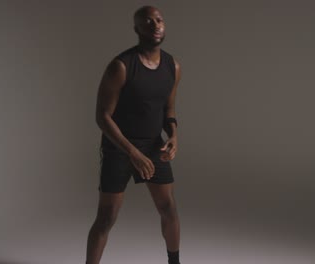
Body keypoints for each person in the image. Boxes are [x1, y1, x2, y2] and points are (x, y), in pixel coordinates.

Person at [85, 5, 182, 264]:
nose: (155, 25)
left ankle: (175, 262)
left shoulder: (173, 66)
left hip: (153, 147)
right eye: (147, 22)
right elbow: (102, 117)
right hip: (120, 148)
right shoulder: (121, 67)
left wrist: (173, 136)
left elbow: (168, 109)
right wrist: (132, 153)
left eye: (159, 20)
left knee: (169, 209)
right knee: (106, 218)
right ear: (137, 29)